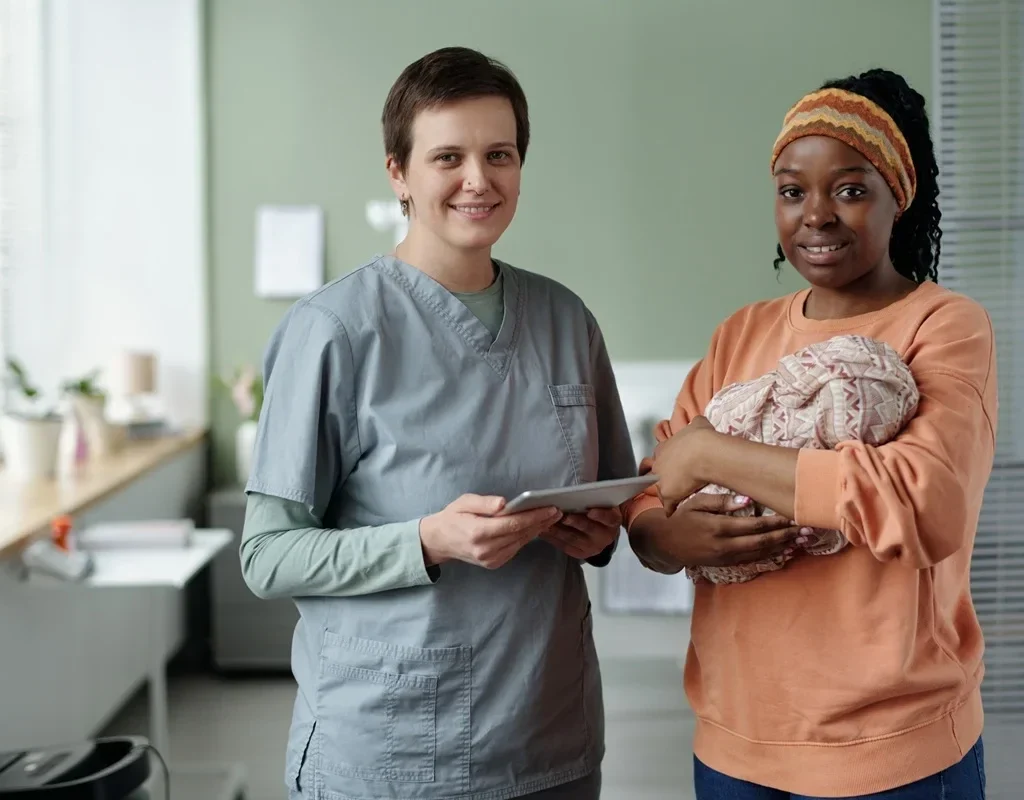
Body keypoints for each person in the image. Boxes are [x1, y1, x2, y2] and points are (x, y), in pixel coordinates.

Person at [240, 46, 635, 800]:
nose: (478, 180)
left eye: (500, 155)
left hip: (550, 738)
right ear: (398, 172)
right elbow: (268, 555)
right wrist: (426, 540)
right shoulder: (334, 330)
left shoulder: (565, 319)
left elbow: (615, 500)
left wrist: (600, 533)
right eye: (447, 156)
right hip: (391, 748)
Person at [625, 68, 995, 798]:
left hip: (893, 753)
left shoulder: (944, 327)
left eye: (851, 190)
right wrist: (659, 537)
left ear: (899, 198)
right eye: (793, 191)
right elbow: (652, 481)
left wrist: (712, 452)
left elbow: (926, 507)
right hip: (734, 752)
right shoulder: (741, 335)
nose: (817, 214)